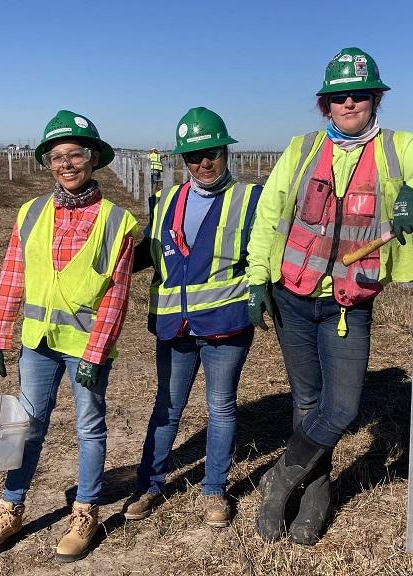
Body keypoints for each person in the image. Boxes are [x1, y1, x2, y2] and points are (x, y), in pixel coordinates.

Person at [245, 48, 413, 545]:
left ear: (375, 100)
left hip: (349, 302)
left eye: (359, 96)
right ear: (326, 105)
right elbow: (269, 215)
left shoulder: (398, 148)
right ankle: (316, 492)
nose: (349, 104)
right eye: (338, 97)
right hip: (292, 297)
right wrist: (257, 279)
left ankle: (282, 477)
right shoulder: (301, 149)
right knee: (307, 399)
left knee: (342, 408)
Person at [0, 110, 139, 562]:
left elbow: (117, 295)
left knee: (89, 428)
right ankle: (11, 508)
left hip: (86, 347)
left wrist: (97, 352)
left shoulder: (116, 220)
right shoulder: (30, 213)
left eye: (75, 154)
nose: (66, 163)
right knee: (28, 428)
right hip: (37, 344)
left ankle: (85, 511)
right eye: (56, 156)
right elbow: (13, 276)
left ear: (93, 158)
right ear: (48, 162)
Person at [123, 107, 263, 527]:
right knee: (166, 405)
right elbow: (156, 251)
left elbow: (262, 257)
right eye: (193, 156)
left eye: (212, 154)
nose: (203, 164)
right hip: (173, 326)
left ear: (226, 152)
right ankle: (149, 483)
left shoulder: (249, 199)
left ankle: (214, 490)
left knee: (220, 406)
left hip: (226, 325)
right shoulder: (166, 200)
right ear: (182, 160)